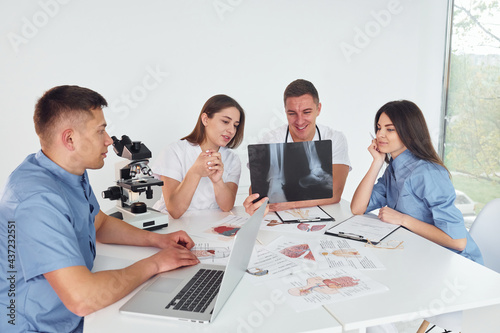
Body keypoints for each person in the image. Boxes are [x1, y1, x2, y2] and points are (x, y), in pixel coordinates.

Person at [0, 85, 200, 333]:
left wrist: (159, 241)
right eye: (101, 131)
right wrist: (156, 264)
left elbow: (99, 223)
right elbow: (83, 298)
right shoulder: (36, 199)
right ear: (70, 139)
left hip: (75, 314)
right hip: (40, 326)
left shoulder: (68, 173)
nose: (108, 140)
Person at [350, 100, 483, 264]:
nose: (380, 135)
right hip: (420, 253)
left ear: (409, 133)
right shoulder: (393, 169)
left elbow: (458, 241)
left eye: (390, 129)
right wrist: (377, 162)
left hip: (456, 263)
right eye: (379, 128)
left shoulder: (428, 173)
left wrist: (402, 219)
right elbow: (358, 207)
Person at [245, 79, 351, 215]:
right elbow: (256, 193)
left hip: (325, 214)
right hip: (279, 217)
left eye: (306, 112)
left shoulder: (335, 138)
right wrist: (254, 203)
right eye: (292, 113)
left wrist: (288, 203)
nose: (300, 121)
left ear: (318, 109)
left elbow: (335, 194)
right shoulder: (270, 139)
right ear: (285, 111)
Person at [152, 94, 245, 219]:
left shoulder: (232, 159)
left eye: (235, 125)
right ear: (205, 119)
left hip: (208, 226)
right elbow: (175, 210)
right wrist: (195, 172)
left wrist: (218, 182)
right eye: (225, 121)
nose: (232, 130)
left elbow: (227, 206)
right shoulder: (174, 151)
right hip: (171, 226)